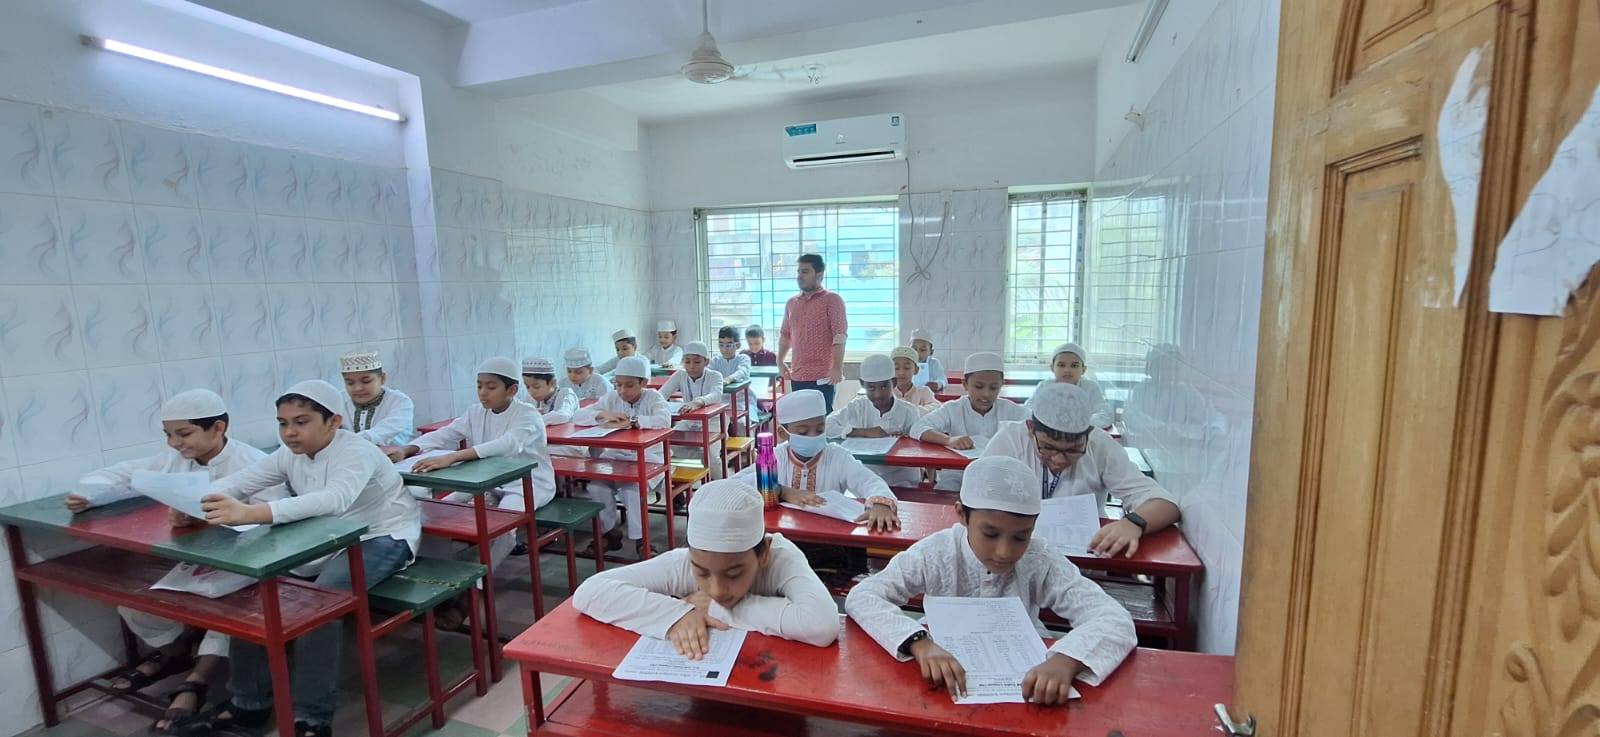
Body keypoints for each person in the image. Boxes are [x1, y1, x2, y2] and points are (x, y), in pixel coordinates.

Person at [192, 380, 421, 737]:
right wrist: (195, 503)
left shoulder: (356, 451)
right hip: (326, 537)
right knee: (257, 592)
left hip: (381, 535)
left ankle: (313, 719)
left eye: (302, 421)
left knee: (320, 606)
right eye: (283, 423)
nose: (290, 432)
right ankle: (248, 704)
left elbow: (334, 500)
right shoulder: (290, 454)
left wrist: (252, 514)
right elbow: (240, 483)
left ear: (334, 421)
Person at [844, 456, 1136, 704]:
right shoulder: (936, 552)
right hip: (940, 666)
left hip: (1024, 677)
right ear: (961, 515)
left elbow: (1114, 618)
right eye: (990, 534)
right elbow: (864, 596)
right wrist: (919, 643)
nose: (1004, 552)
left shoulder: (1040, 557)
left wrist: (1066, 661)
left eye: (1021, 537)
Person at [65, 390, 269, 735]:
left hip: (248, 559)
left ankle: (197, 680)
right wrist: (89, 495)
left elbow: (274, 517)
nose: (174, 443)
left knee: (226, 609)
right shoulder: (177, 458)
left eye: (183, 434)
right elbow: (128, 475)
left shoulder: (251, 463)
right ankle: (176, 650)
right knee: (135, 601)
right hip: (195, 555)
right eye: (169, 435)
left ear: (218, 428)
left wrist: (213, 520)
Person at [570, 479, 838, 658]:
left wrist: (710, 608)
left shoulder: (782, 557)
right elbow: (590, 592)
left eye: (733, 573)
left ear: (763, 553)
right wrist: (677, 613)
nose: (716, 589)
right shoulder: (685, 561)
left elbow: (821, 624)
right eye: (702, 573)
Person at [388, 358, 556, 586]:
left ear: (512, 389)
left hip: (529, 484)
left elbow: (509, 444)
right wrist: (408, 449)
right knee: (438, 511)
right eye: (479, 386)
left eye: (491, 387)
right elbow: (448, 433)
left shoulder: (527, 415)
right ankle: (438, 575)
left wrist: (453, 457)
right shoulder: (475, 412)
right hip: (488, 482)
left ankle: (477, 585)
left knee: (504, 527)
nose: (483, 393)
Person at [984, 382, 1181, 558]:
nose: (1059, 459)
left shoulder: (1100, 446)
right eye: (1048, 447)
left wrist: (1133, 523)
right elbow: (980, 505)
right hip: (1016, 554)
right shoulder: (1008, 442)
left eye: (1073, 450)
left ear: (1089, 433)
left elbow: (1166, 504)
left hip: (1082, 558)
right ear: (1030, 428)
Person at [732, 389, 900, 532]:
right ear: (783, 433)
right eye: (803, 432)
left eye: (820, 429)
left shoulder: (837, 456)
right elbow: (733, 485)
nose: (813, 437)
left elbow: (869, 481)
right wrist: (781, 491)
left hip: (831, 538)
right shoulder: (775, 457)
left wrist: (880, 503)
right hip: (783, 537)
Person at [572, 355, 671, 557]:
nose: (622, 390)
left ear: (643, 383)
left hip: (650, 458)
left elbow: (664, 420)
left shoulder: (653, 397)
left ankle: (642, 540)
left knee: (631, 489)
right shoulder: (612, 398)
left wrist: (633, 421)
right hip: (617, 456)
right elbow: (578, 416)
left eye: (629, 385)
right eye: (618, 385)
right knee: (596, 486)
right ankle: (609, 534)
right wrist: (602, 415)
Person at [911, 352, 1029, 490]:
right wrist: (948, 440)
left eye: (993, 387)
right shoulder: (953, 408)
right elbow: (917, 428)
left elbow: (1035, 426)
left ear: (1002, 385)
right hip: (958, 476)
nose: (986, 394)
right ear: (965, 384)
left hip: (1000, 477)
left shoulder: (1011, 410)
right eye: (978, 387)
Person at [824, 354, 922, 487]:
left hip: (902, 478)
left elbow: (918, 445)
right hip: (866, 476)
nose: (878, 394)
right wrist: (863, 432)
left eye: (883, 387)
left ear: (893, 382)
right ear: (862, 384)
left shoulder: (908, 411)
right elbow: (826, 425)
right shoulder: (858, 406)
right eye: (871, 387)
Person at [778, 254, 847, 412]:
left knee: (822, 422)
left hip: (823, 376)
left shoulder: (832, 300)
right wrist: (780, 361)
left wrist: (837, 367)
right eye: (798, 272)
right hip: (798, 375)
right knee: (801, 420)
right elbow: (785, 334)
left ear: (819, 274)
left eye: (805, 272)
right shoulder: (792, 303)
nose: (800, 276)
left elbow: (839, 336)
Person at [660, 340, 727, 478]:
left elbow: (716, 394)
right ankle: (677, 488)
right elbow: (661, 395)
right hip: (689, 422)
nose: (691, 366)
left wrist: (698, 402)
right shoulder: (680, 374)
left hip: (714, 422)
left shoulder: (715, 376)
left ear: (706, 362)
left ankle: (719, 485)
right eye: (687, 361)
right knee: (666, 445)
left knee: (712, 457)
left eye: (697, 362)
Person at [1026, 343, 1113, 430]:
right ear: (1052, 368)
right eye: (1061, 365)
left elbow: (1105, 415)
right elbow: (1028, 409)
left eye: (1074, 365)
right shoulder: (1045, 386)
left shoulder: (1090, 387)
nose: (1067, 370)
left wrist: (1077, 423)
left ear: (1083, 370)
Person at [340, 350, 416, 448]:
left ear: (382, 378)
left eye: (366, 381)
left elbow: (379, 434)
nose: (358, 388)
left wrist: (343, 444)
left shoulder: (399, 401)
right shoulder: (338, 400)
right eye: (350, 383)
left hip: (395, 460)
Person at [890, 346, 940, 413]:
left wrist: (911, 411)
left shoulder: (923, 391)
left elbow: (937, 407)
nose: (901, 373)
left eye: (907, 368)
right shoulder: (888, 393)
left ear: (916, 370)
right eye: (896, 368)